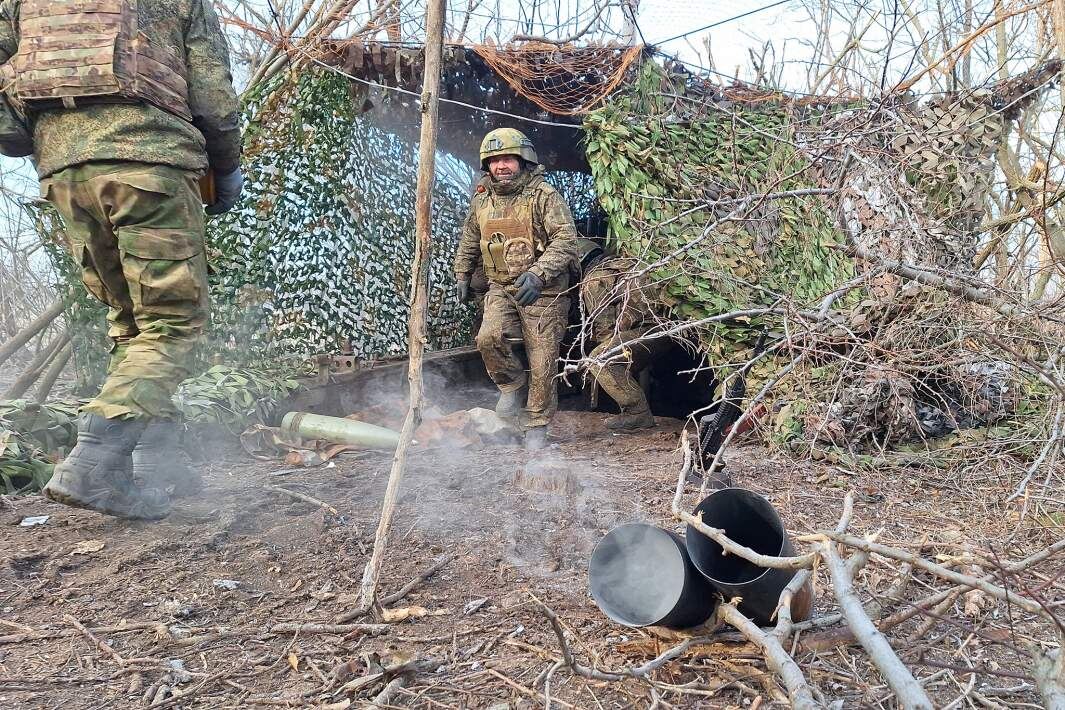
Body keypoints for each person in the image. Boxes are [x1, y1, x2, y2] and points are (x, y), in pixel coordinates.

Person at [0, 0, 243, 519]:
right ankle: (94, 462)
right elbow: (214, 95)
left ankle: (157, 459)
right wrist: (225, 167)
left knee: (131, 318)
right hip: (149, 161)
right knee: (172, 322)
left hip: (64, 172)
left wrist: (34, 136)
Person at [454, 128, 578, 451]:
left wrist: (538, 274)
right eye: (494, 161)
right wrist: (463, 273)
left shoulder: (543, 196)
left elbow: (565, 240)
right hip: (502, 285)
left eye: (508, 158)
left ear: (523, 160)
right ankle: (511, 384)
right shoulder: (482, 200)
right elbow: (471, 238)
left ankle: (536, 423)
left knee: (543, 357)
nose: (501, 166)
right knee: (488, 337)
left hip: (545, 290)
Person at [580, 256, 668, 431]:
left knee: (600, 359)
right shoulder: (628, 262)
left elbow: (605, 330)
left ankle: (637, 413)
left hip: (650, 332)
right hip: (672, 327)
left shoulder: (595, 280)